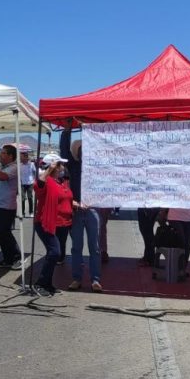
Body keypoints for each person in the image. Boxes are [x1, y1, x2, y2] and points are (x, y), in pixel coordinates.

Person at [60, 121, 103, 292]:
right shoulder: (73, 166)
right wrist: (67, 131)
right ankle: (77, 279)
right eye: (80, 150)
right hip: (76, 210)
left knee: (95, 248)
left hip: (92, 210)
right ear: (77, 153)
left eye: (86, 150)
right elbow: (64, 152)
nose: (83, 152)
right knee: (76, 247)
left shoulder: (98, 168)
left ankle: (95, 280)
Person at [33, 155, 69, 296]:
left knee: (53, 254)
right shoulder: (45, 179)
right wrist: (49, 170)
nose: (62, 168)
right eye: (60, 165)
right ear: (53, 166)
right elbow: (38, 186)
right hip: (44, 222)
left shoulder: (57, 181)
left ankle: (47, 284)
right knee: (55, 252)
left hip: (58, 222)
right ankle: (40, 283)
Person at [19, 151, 36, 217]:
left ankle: (31, 212)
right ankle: (22, 213)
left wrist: (34, 180)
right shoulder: (20, 165)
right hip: (22, 183)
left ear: (26, 157)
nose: (21, 158)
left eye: (22, 157)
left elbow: (34, 172)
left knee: (30, 197)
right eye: (20, 157)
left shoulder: (31, 164)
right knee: (22, 198)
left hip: (30, 183)